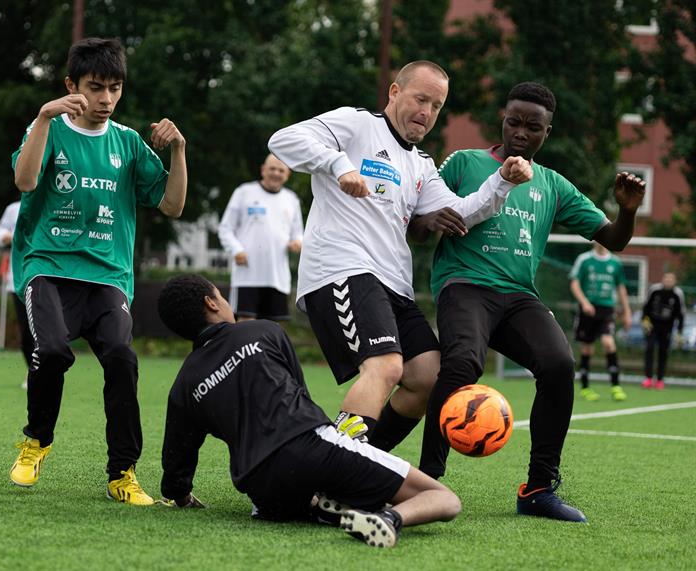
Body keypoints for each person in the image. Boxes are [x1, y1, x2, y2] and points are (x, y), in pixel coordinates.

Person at [268, 60, 533, 451]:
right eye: (420, 98)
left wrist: (502, 182)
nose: (427, 112)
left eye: (437, 105)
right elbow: (283, 140)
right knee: (386, 366)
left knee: (429, 378)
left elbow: (460, 212)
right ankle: (325, 471)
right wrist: (339, 165)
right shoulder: (357, 124)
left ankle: (363, 462)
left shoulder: (420, 163)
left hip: (393, 285)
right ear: (395, 92)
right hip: (343, 269)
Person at [413, 82, 646, 523]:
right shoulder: (465, 162)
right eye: (514, 121)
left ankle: (538, 489)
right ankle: (427, 480)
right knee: (462, 364)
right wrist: (428, 219)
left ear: (547, 132)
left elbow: (613, 240)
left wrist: (629, 210)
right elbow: (417, 224)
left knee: (559, 365)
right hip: (464, 285)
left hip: (519, 297)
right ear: (502, 118)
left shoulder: (553, 185)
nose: (521, 132)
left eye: (532, 126)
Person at [7, 37, 187, 506]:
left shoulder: (127, 143)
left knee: (123, 360)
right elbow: (25, 182)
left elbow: (172, 205)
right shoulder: (48, 127)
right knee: (52, 351)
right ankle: (36, 442)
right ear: (71, 86)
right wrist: (45, 117)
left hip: (108, 276)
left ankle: (122, 473)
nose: (106, 99)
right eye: (95, 87)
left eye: (115, 88)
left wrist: (179, 152)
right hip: (48, 266)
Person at [156, 273, 461, 548]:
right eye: (221, 296)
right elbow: (300, 396)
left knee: (303, 493)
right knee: (444, 499)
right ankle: (387, 518)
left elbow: (176, 465)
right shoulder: (262, 331)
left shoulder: (185, 384)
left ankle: (317, 504)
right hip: (312, 447)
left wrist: (182, 497)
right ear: (211, 303)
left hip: (262, 489)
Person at [218, 154, 303, 322]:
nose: (276, 173)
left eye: (281, 170)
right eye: (272, 169)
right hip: (247, 275)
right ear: (263, 170)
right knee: (245, 324)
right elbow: (225, 229)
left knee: (273, 328)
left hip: (277, 277)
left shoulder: (291, 199)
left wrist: (298, 242)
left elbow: (299, 233)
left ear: (287, 175)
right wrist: (237, 250)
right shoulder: (244, 192)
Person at [569, 243, 632, 401]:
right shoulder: (584, 259)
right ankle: (585, 387)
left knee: (608, 342)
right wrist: (584, 302)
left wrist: (627, 311)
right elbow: (574, 283)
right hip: (588, 309)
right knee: (587, 349)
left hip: (607, 309)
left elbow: (621, 288)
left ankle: (616, 386)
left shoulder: (615, 262)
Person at [0, 200, 35, 389]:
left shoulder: (51, 200)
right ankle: (33, 372)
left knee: (45, 332)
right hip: (17, 279)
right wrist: (8, 237)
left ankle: (47, 373)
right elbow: (2, 232)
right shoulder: (12, 209)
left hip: (46, 278)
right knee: (27, 333)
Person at [642, 272, 685, 389]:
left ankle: (660, 379)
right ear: (663, 279)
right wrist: (645, 320)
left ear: (675, 281)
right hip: (652, 325)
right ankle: (648, 378)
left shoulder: (677, 294)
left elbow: (680, 314)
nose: (668, 281)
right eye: (666, 278)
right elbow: (646, 307)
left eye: (671, 279)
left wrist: (680, 332)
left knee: (663, 352)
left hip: (667, 327)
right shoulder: (655, 290)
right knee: (649, 348)